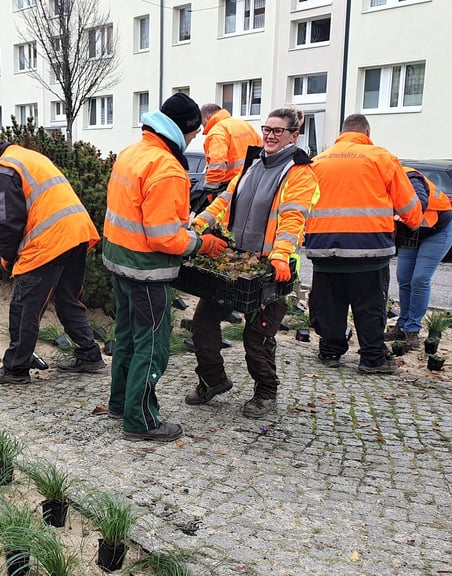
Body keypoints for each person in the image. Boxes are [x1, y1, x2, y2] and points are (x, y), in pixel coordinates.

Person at [102, 92, 227, 442]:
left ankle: (119, 404)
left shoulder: (132, 152)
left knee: (126, 338)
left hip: (120, 260)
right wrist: (203, 243)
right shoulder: (167, 168)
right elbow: (163, 237)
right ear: (182, 130)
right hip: (146, 271)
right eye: (194, 133)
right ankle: (140, 421)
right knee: (152, 345)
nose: (194, 139)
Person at [185, 107, 318, 417]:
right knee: (203, 322)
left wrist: (281, 256)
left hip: (270, 269)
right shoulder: (253, 164)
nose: (270, 136)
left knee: (256, 335)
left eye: (278, 131)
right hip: (237, 263)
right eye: (267, 129)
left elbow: (292, 217)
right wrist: (198, 226)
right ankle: (213, 380)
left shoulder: (299, 172)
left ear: (293, 136)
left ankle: (266, 392)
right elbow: (223, 202)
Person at [0, 132, 105, 384]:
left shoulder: (3, 170)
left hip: (49, 240)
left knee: (23, 306)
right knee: (66, 299)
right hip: (77, 232)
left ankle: (15, 369)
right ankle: (89, 354)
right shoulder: (27, 155)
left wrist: (7, 256)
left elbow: (8, 221)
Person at [303, 114, 423, 373]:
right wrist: (414, 222)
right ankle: (372, 358)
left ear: (341, 133)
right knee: (369, 305)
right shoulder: (381, 157)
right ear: (367, 133)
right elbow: (409, 206)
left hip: (324, 247)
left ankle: (330, 350)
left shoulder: (317, 161)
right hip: (368, 248)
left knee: (329, 303)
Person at [387, 167, 452, 349]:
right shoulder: (379, 182)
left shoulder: (410, 178)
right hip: (413, 231)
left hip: (438, 230)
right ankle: (402, 325)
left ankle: (413, 329)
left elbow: (420, 202)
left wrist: (397, 213)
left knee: (420, 279)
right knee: (404, 277)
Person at [197, 103, 263, 213]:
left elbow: (216, 164)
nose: (202, 126)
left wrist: (210, 192)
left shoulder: (217, 132)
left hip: (229, 187)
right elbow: (261, 150)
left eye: (202, 122)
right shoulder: (243, 125)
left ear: (207, 117)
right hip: (252, 182)